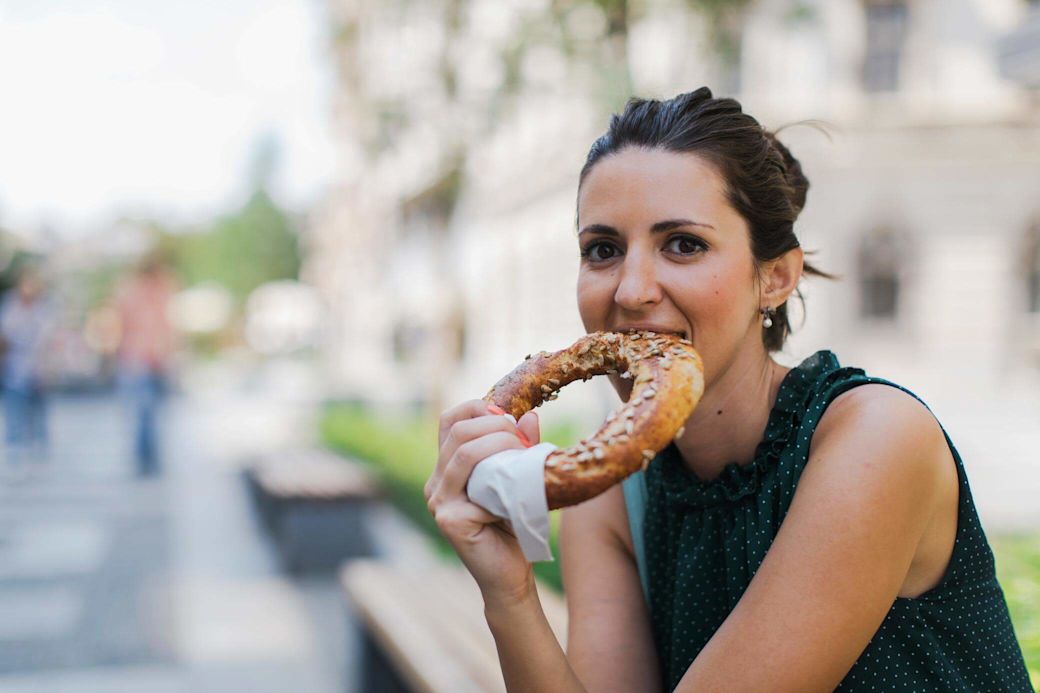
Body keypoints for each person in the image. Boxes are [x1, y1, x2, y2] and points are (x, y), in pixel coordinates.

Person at [424, 87, 1032, 691]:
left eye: (683, 245)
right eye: (602, 249)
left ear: (775, 278)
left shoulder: (875, 440)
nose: (632, 291)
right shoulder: (608, 499)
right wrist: (509, 593)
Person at [113, 254, 177, 477]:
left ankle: (146, 460)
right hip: (141, 360)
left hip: (142, 360)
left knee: (146, 414)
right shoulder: (146, 293)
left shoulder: (136, 292)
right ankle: (146, 461)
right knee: (145, 413)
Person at [0, 266, 54, 471]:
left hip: (38, 370)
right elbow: (6, 335)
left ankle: (38, 450)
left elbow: (48, 339)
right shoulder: (10, 306)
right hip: (15, 370)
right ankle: (15, 451)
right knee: (14, 411)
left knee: (38, 413)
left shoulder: (44, 308)